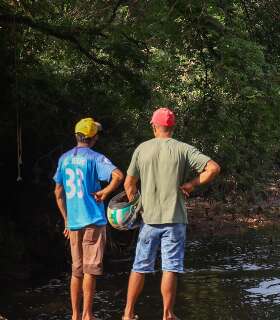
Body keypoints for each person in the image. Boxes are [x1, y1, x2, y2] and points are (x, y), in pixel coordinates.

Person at [122, 107, 221, 320]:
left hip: (148, 219)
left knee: (139, 266)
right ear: (173, 127)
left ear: (154, 126)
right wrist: (191, 185)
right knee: (170, 267)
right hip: (175, 219)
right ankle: (167, 314)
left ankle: (128, 314)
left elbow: (129, 184)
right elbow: (213, 168)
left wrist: (137, 206)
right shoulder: (183, 149)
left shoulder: (142, 149)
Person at [53, 118, 124, 320]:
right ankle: (87, 315)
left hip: (73, 223)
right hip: (93, 219)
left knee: (76, 271)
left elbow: (58, 192)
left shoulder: (64, 159)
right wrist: (105, 191)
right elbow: (118, 176)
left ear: (76, 136)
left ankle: (75, 316)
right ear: (93, 139)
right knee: (90, 271)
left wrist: (66, 219)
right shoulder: (96, 158)